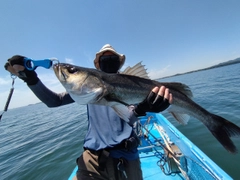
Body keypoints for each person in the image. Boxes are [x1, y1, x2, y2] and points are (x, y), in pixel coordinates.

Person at [4, 44, 172, 180]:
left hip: (128, 156)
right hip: (93, 159)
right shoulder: (86, 89)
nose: (109, 61)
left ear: (119, 63)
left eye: (112, 59)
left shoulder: (134, 86)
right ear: (97, 65)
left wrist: (144, 108)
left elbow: (130, 116)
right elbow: (54, 101)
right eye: (104, 59)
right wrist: (30, 78)